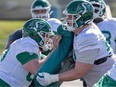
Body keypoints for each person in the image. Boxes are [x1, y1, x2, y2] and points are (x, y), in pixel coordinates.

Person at [36, 0, 115, 87]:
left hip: (106, 78)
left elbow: (79, 72)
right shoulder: (81, 29)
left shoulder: (88, 36)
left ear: (83, 18)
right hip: (96, 75)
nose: (67, 19)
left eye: (71, 16)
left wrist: (52, 78)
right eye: (67, 16)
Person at [0, 18, 61, 86]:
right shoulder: (27, 45)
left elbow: (44, 60)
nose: (47, 38)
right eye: (44, 35)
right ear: (34, 34)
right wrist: (54, 49)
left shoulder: (29, 45)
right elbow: (38, 70)